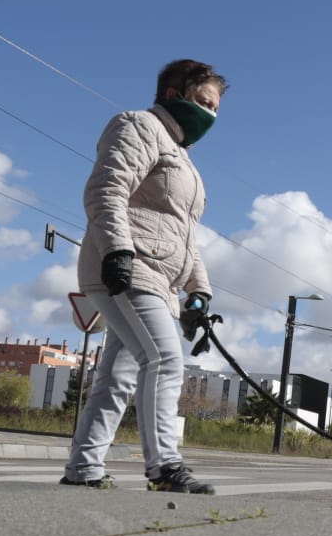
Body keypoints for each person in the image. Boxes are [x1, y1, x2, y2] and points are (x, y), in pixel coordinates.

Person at [62, 59, 223, 493]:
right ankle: (165, 467)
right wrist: (117, 250)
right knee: (166, 360)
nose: (210, 115)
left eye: (216, 110)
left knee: (116, 376)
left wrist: (199, 293)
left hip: (160, 278)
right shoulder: (138, 126)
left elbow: (186, 237)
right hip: (129, 267)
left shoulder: (184, 160)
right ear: (175, 94)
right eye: (204, 103)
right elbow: (105, 189)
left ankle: (83, 468)